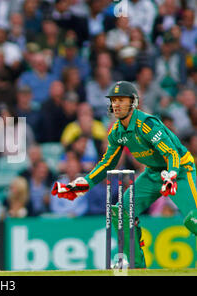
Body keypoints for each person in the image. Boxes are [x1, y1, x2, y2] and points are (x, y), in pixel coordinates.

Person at [52, 81, 197, 269]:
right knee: (121, 212)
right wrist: (82, 184)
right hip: (153, 173)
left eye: (121, 100)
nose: (116, 104)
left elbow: (172, 154)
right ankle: (136, 266)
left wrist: (171, 175)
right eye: (114, 100)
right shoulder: (116, 132)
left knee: (193, 219)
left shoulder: (147, 124)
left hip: (180, 171)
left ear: (133, 102)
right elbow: (106, 164)